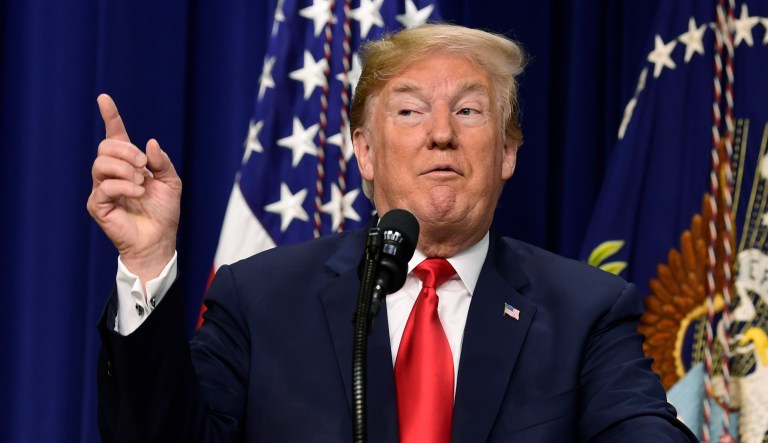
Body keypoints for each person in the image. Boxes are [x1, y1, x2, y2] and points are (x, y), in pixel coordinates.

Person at [88, 24, 697, 442]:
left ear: (508, 151)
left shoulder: (586, 312)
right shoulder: (261, 299)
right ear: (366, 152)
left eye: (468, 110)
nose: (440, 133)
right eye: (409, 110)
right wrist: (147, 262)